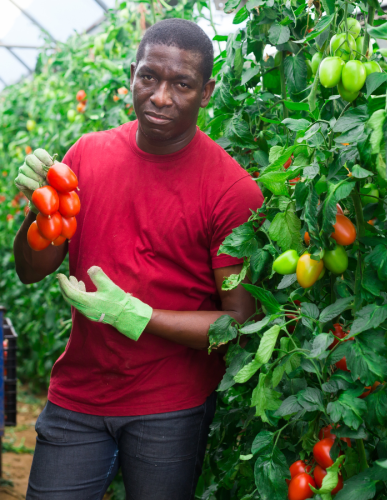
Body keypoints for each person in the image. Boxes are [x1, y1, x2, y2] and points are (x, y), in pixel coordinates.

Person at [13, 18, 263, 499]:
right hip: (77, 396)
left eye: (182, 84)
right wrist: (39, 211)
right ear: (132, 73)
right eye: (149, 76)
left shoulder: (231, 193)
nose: (161, 96)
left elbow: (236, 323)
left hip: (169, 406)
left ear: (207, 92)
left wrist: (138, 315)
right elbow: (30, 270)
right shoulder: (85, 157)